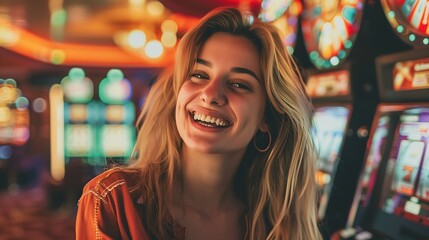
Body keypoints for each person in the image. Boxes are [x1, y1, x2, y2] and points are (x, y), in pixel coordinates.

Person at [75, 7, 322, 240]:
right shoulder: (114, 198)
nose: (211, 94)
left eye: (239, 84)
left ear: (267, 118)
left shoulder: (275, 222)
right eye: (199, 75)